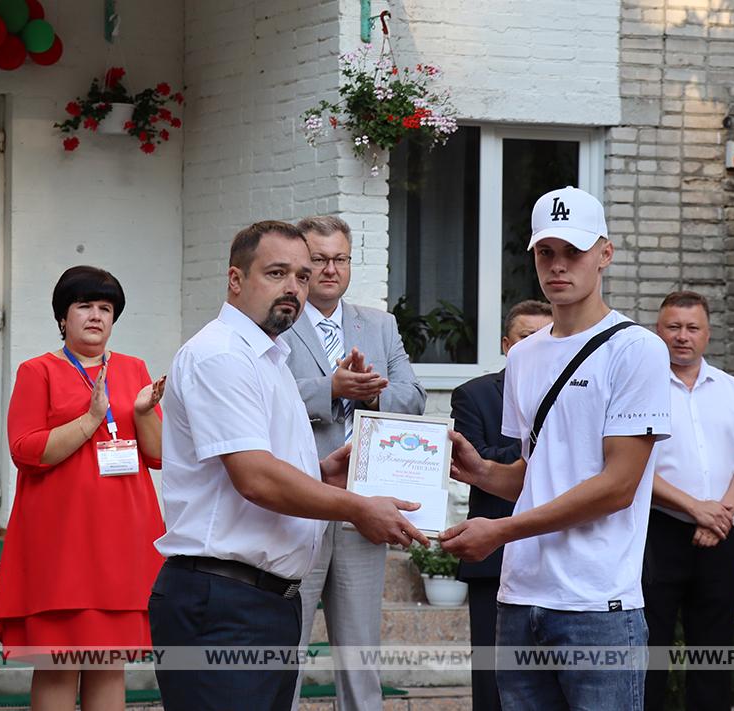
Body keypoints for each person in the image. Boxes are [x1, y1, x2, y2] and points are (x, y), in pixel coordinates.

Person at [149, 220, 430, 711]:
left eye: (301, 276)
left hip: (263, 600)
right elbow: (255, 478)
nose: (294, 288)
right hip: (223, 598)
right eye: (277, 273)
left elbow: (260, 466)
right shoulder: (221, 355)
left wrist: (323, 473)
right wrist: (358, 506)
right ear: (235, 279)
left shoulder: (268, 356)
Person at [439, 186, 672, 710]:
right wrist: (480, 472)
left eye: (573, 252)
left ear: (604, 254)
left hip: (597, 603)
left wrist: (500, 531)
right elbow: (537, 474)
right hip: (519, 598)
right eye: (546, 252)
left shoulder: (636, 350)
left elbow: (617, 487)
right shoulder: (525, 356)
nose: (558, 266)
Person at [0, 266, 166, 711]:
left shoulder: (134, 369)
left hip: (123, 534)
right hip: (62, 539)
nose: (96, 316)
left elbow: (160, 456)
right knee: (59, 661)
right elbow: (26, 450)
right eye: (84, 305)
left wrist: (143, 412)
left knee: (110, 661)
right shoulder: (39, 370)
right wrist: (89, 420)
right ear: (62, 317)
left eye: (105, 308)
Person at [283, 215, 427, 711]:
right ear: (303, 265)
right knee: (287, 648)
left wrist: (371, 395)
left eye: (339, 259)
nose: (329, 269)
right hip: (299, 504)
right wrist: (331, 388)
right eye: (318, 260)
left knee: (361, 652)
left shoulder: (380, 325)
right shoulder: (278, 322)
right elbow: (265, 395)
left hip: (363, 503)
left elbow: (415, 396)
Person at [642, 291, 734, 711]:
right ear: (657, 332)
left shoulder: (733, 391)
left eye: (692, 328)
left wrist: (718, 516)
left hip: (719, 532)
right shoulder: (640, 390)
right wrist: (697, 509)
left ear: (707, 334)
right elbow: (633, 466)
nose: (682, 337)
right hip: (657, 534)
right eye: (672, 327)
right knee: (650, 652)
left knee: (712, 654)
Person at [450, 299, 552, 711]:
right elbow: (474, 458)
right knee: (493, 677)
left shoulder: (575, 392)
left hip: (556, 551)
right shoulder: (473, 394)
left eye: (548, 337)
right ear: (507, 344)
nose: (538, 346)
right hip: (493, 550)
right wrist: (539, 450)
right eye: (528, 338)